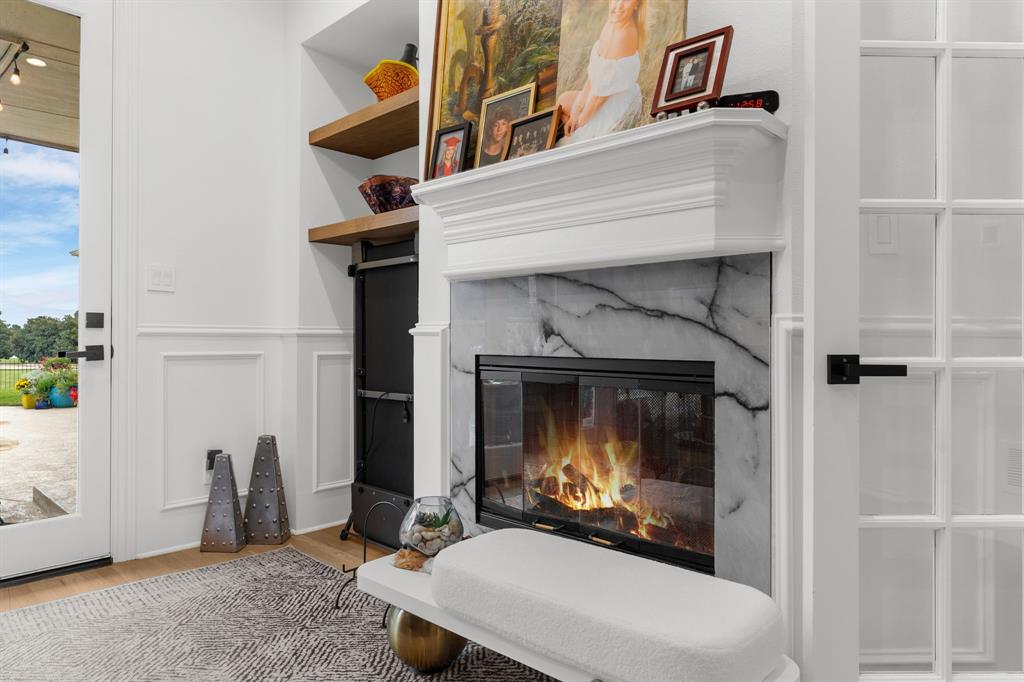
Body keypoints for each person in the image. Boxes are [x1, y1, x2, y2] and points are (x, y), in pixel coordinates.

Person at [557, 0, 645, 145]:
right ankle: (571, 127)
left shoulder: (625, 35)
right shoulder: (611, 24)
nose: (619, 5)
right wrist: (577, 109)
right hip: (600, 93)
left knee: (573, 138)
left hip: (614, 101)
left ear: (636, 4)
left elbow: (600, 97)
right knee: (562, 101)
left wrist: (579, 122)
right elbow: (594, 75)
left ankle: (574, 132)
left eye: (626, 0)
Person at [478, 102, 514, 167]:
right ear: (490, 129)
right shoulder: (479, 156)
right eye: (496, 125)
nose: (499, 129)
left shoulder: (508, 154)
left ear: (507, 128)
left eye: (504, 124)